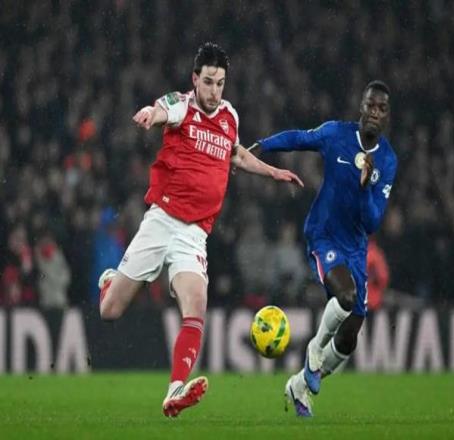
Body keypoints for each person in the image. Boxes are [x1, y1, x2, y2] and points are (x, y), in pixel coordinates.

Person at [97, 42, 303, 418]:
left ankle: (175, 389)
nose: (214, 91)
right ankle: (110, 282)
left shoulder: (230, 116)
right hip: (161, 221)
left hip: (193, 234)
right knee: (110, 310)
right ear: (195, 79)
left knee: (196, 306)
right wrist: (150, 114)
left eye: (220, 83)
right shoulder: (182, 104)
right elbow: (162, 110)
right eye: (208, 82)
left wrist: (273, 172)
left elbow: (236, 154)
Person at [251, 80, 397, 417]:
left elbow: (372, 223)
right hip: (324, 235)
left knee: (348, 339)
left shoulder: (388, 160)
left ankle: (300, 385)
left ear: (387, 115)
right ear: (361, 107)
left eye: (382, 108)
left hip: (356, 248)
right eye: (370, 105)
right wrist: (262, 146)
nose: (375, 113)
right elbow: (299, 138)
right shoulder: (336, 134)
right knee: (345, 296)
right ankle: (314, 352)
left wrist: (365, 189)